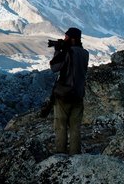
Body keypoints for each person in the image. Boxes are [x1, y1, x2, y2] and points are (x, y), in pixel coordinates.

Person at [49, 27, 89, 155]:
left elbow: (54, 67)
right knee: (75, 127)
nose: (64, 39)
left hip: (64, 95)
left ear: (72, 39)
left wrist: (57, 51)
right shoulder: (85, 53)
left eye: (66, 37)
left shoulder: (67, 52)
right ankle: (75, 156)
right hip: (78, 94)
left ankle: (61, 155)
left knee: (60, 126)